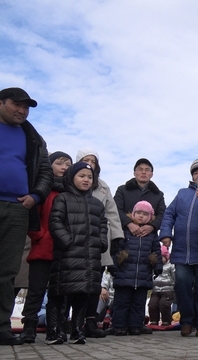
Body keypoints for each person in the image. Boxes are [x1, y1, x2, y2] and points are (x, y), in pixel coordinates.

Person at [0, 87, 53, 346]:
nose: (22, 111)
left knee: (7, 271)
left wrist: (37, 196)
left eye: (26, 107)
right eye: (16, 105)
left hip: (17, 209)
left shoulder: (32, 138)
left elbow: (45, 172)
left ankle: (1, 328)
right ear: (1, 103)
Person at [47, 162, 108, 345]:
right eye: (82, 176)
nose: (86, 180)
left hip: (90, 257)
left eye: (89, 177)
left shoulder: (97, 204)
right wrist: (67, 241)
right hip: (67, 255)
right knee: (59, 294)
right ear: (72, 177)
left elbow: (103, 225)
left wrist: (102, 243)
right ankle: (54, 331)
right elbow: (55, 222)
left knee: (83, 294)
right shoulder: (63, 198)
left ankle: (76, 330)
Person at [19, 151, 71, 343]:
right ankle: (29, 326)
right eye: (59, 163)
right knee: (36, 290)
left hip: (64, 251)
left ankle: (58, 327)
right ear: (50, 166)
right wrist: (39, 235)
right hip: (42, 248)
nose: (64, 167)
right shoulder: (42, 190)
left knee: (61, 293)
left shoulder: (71, 192)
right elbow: (33, 216)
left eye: (67, 164)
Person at [158, 158, 198, 337]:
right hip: (181, 252)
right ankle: (186, 321)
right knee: (182, 286)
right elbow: (168, 214)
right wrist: (166, 234)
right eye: (196, 172)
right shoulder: (182, 193)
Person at [76, 147, 125, 338]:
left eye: (93, 161)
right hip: (74, 242)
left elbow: (112, 214)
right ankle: (68, 322)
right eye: (86, 160)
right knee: (72, 284)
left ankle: (90, 321)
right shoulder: (69, 184)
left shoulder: (104, 187)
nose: (90, 164)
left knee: (94, 284)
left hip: (98, 242)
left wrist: (116, 238)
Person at [111, 200, 163, 336]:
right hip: (124, 273)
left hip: (143, 275)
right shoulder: (126, 231)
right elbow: (117, 249)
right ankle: (119, 325)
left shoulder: (152, 235)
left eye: (145, 214)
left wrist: (158, 266)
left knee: (138, 303)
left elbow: (156, 251)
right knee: (121, 302)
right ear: (133, 214)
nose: (141, 216)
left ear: (150, 217)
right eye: (138, 213)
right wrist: (114, 265)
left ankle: (135, 326)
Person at [149, 246, 175, 326]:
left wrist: (174, 285)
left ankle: (166, 321)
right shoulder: (153, 266)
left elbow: (174, 276)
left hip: (168, 289)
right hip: (156, 289)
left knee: (164, 304)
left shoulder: (170, 265)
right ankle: (153, 320)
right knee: (152, 304)